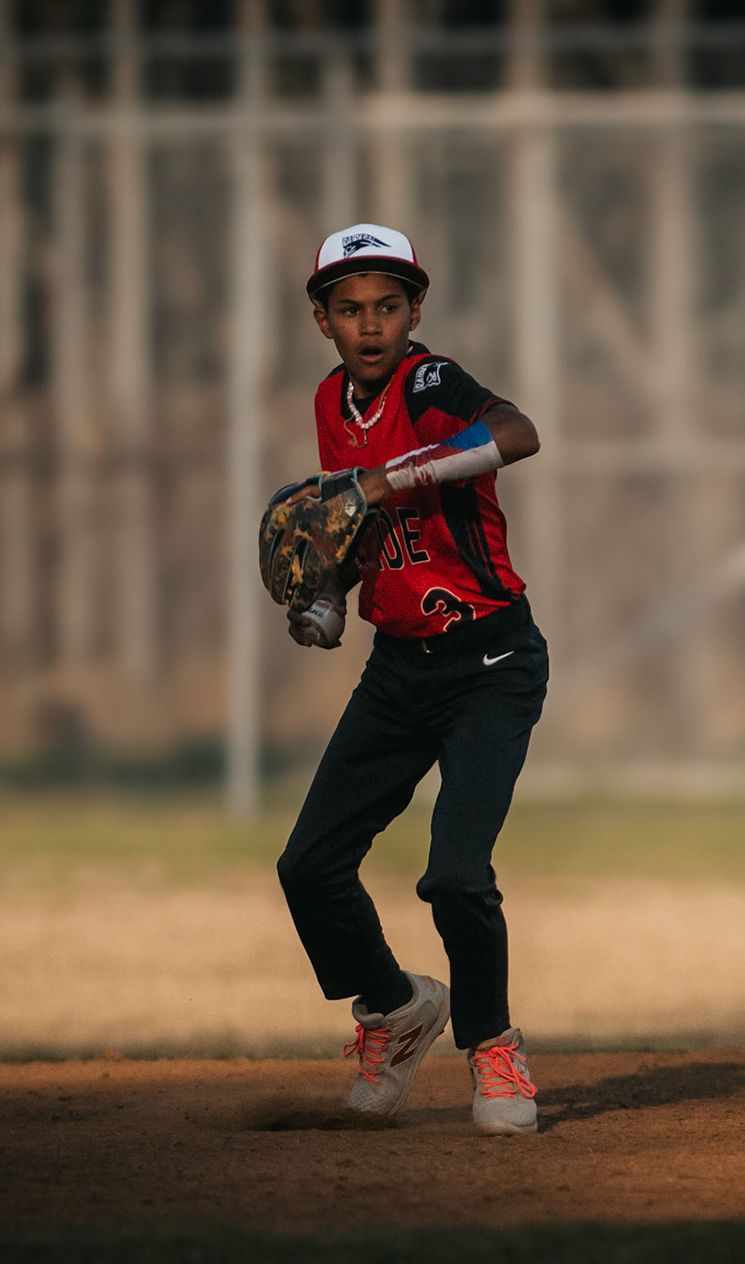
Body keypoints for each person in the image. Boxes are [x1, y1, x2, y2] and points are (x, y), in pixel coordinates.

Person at [275, 223, 548, 1135]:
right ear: (322, 320)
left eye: (388, 305)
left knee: (455, 877)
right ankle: (396, 1011)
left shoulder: (428, 382)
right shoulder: (330, 402)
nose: (371, 324)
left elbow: (517, 432)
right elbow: (360, 526)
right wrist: (332, 595)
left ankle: (494, 1049)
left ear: (415, 311)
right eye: (349, 309)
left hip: (491, 666)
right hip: (399, 670)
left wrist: (386, 480)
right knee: (309, 867)